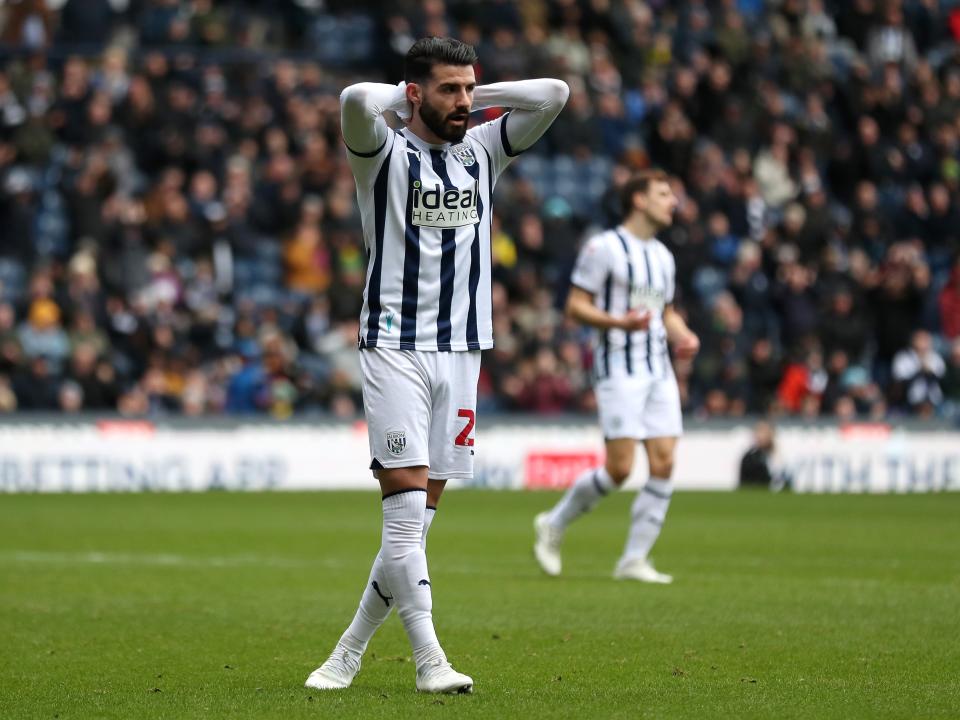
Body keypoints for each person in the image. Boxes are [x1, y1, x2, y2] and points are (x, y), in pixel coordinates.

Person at [305, 37, 568, 694]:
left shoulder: (482, 152)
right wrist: (409, 98)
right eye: (449, 90)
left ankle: (347, 652)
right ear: (416, 93)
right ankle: (430, 660)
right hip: (395, 346)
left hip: (463, 351)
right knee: (403, 516)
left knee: (415, 526)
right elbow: (354, 101)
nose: (464, 102)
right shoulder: (384, 153)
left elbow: (555, 95)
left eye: (469, 88)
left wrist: (477, 96)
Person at [532, 169, 699, 584]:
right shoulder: (604, 248)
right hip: (618, 367)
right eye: (664, 193)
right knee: (620, 469)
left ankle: (634, 559)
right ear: (638, 200)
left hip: (658, 368)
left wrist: (683, 335)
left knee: (664, 461)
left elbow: (665, 311)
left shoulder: (663, 256)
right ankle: (554, 523)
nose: (673, 202)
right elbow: (575, 306)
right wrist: (618, 324)